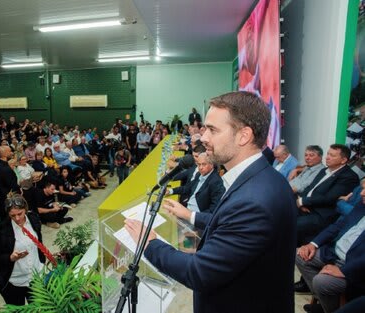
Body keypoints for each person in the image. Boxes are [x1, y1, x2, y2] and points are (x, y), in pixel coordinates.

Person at [125, 91, 297, 313]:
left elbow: (199, 272)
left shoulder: (254, 200)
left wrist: (149, 242)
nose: (203, 137)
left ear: (244, 135)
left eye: (213, 130)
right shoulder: (262, 178)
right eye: (205, 128)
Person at [296, 192, 365, 313]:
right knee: (300, 255)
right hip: (334, 252)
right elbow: (338, 226)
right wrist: (313, 244)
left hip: (355, 267)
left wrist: (344, 271)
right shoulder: (362, 205)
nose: (361, 193)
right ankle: (325, 303)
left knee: (322, 282)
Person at [0, 193, 45, 305]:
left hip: (35, 278)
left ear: (25, 209)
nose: (17, 218)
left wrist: (42, 262)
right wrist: (10, 258)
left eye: (20, 214)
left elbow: (39, 242)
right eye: (12, 215)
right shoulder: (2, 230)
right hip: (15, 281)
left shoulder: (34, 219)